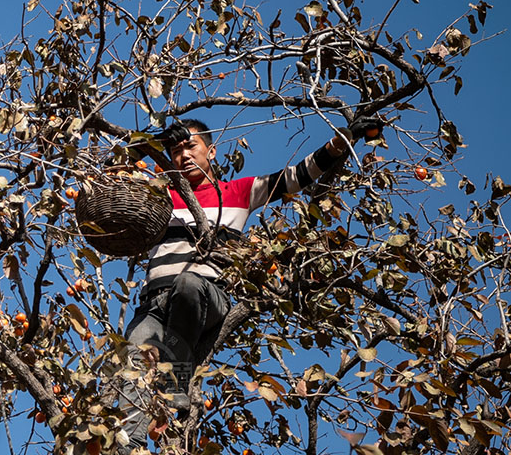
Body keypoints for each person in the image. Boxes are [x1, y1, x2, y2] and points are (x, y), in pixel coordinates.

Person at [119, 116, 378, 436]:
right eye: (174, 151)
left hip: (204, 294)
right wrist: (148, 144)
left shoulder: (238, 192)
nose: (183, 155)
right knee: (128, 370)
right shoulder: (159, 197)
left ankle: (176, 380)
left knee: (188, 285)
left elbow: (295, 177)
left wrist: (340, 142)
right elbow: (109, 178)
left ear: (210, 152)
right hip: (152, 303)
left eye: (190, 146)